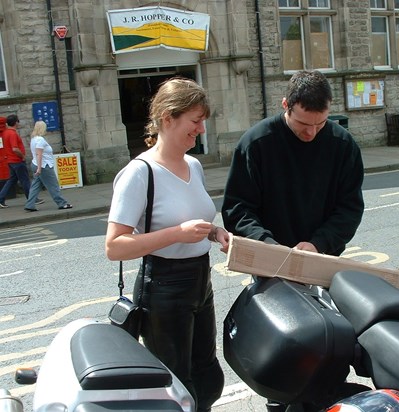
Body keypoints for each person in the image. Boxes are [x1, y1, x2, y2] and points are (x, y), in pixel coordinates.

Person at [222, 70, 364, 411]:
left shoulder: (342, 144)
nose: (311, 133)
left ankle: (327, 401)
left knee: (328, 344)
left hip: (322, 263)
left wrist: (318, 244)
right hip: (273, 267)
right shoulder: (257, 143)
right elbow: (237, 207)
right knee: (285, 347)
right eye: (303, 124)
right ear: (286, 105)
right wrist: (268, 245)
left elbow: (349, 208)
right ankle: (279, 402)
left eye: (320, 124)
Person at [105, 78, 228, 412]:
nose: (202, 129)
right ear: (167, 117)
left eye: (203, 120)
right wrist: (177, 233)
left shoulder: (194, 165)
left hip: (200, 280)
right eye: (195, 120)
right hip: (164, 286)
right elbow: (114, 246)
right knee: (176, 383)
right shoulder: (139, 173)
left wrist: (214, 233)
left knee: (206, 374)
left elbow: (192, 220)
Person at [24, 121, 72, 212]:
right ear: (42, 128)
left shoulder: (34, 139)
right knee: (53, 185)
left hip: (36, 164)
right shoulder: (40, 140)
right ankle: (62, 203)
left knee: (35, 186)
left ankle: (30, 204)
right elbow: (39, 154)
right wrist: (39, 168)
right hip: (44, 166)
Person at [0, 114, 44, 208]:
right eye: (18, 121)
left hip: (10, 161)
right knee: (25, 180)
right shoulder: (13, 134)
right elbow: (15, 149)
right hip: (17, 161)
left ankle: (1, 199)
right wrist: (23, 156)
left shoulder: (5, 133)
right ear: (16, 122)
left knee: (11, 180)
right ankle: (32, 198)